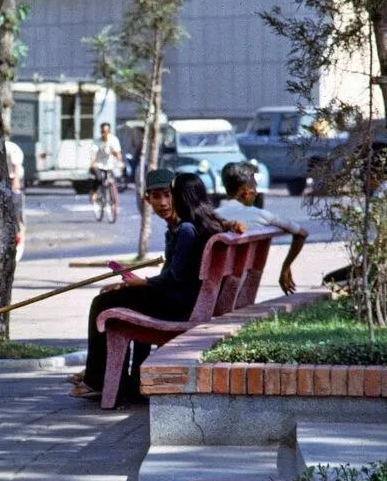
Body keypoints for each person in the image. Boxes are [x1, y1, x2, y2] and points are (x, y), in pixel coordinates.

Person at [69, 171, 228, 401]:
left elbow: (172, 277)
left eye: (171, 195)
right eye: (158, 196)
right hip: (187, 301)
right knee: (123, 297)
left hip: (179, 306)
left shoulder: (186, 230)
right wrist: (134, 285)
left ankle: (97, 379)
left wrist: (140, 283)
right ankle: (125, 378)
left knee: (102, 303)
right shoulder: (198, 225)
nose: (166, 202)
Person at [217, 161, 308, 295]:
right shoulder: (262, 215)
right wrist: (285, 267)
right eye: (255, 187)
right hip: (244, 283)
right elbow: (301, 233)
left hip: (217, 281)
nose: (257, 192)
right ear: (246, 191)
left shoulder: (213, 215)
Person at [89, 122, 122, 208]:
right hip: (99, 164)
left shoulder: (113, 140)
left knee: (115, 177)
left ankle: (113, 198)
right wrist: (93, 163)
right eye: (103, 131)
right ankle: (95, 192)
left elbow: (118, 153)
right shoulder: (97, 141)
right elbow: (93, 153)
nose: (105, 133)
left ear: (109, 131)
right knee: (99, 178)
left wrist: (119, 160)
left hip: (111, 164)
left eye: (107, 131)